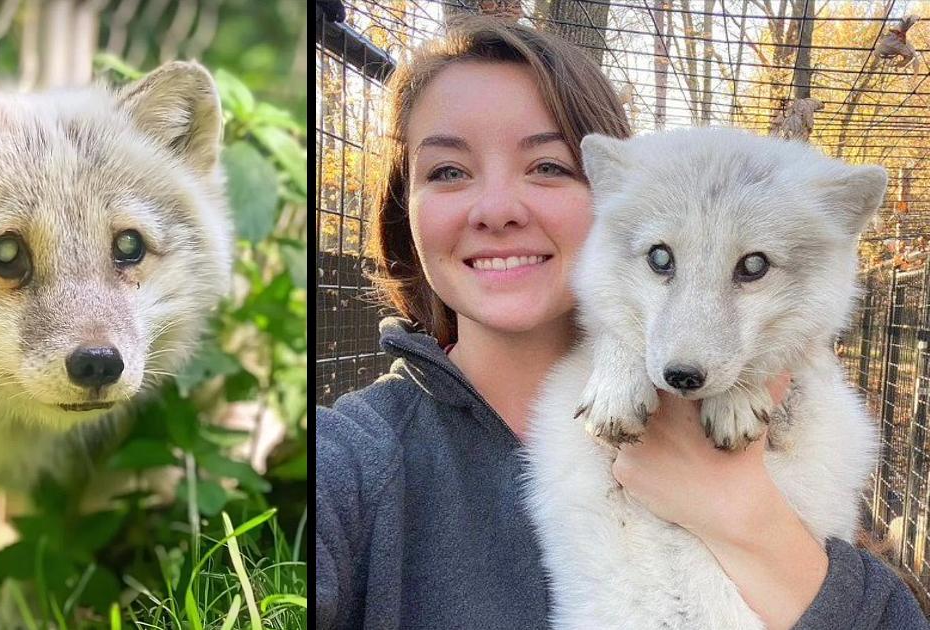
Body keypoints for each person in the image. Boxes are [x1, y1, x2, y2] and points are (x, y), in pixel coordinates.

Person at [315, 16, 930, 629]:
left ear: (607, 192)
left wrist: (745, 518)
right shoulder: (352, 461)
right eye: (447, 171)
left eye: (548, 166)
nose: (496, 210)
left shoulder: (790, 390)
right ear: (406, 205)